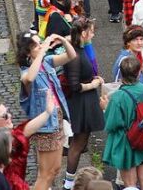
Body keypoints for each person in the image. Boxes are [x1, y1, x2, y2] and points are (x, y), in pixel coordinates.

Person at [17, 32, 75, 190]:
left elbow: (71, 55)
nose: (41, 46)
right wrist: (43, 49)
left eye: (40, 43)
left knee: (55, 169)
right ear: (28, 52)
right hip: (45, 124)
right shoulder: (26, 71)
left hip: (57, 119)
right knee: (45, 173)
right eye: (36, 45)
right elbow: (29, 78)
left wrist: (62, 40)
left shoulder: (47, 62)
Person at [102, 55, 143, 190]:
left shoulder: (118, 96)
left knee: (130, 184)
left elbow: (111, 124)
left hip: (126, 143)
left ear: (121, 74)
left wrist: (105, 108)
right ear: (139, 72)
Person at [0, 99, 57, 190]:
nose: (10, 116)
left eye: (8, 111)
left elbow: (23, 132)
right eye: (5, 116)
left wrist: (47, 112)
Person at [62, 17, 106, 190]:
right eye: (92, 31)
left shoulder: (78, 50)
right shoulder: (74, 55)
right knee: (78, 144)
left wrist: (93, 78)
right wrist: (92, 84)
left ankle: (69, 180)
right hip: (81, 103)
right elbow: (74, 86)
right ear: (83, 33)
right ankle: (68, 182)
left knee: (81, 142)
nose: (93, 34)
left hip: (85, 102)